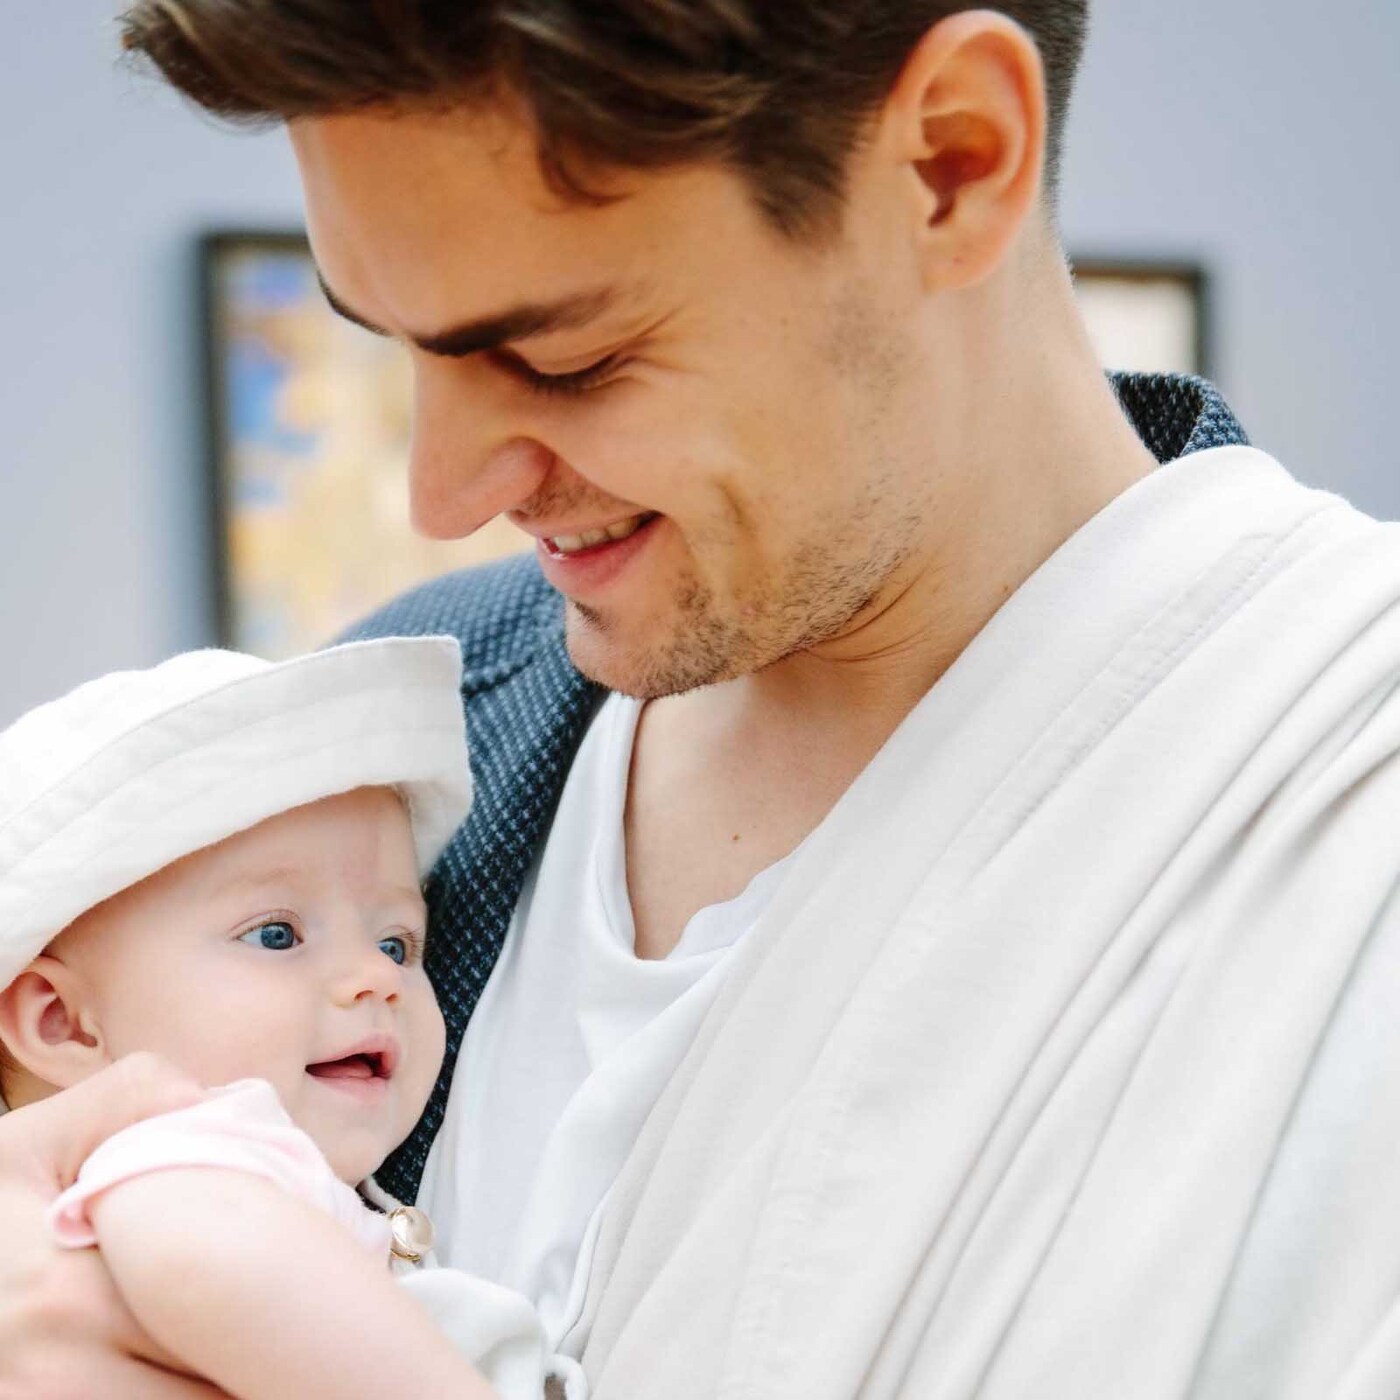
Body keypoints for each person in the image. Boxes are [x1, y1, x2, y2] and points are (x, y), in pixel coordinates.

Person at [5, 1, 1400, 1396]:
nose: (445, 494)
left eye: (565, 358)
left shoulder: (1342, 822)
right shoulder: (389, 751)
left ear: (951, 162)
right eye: (397, 345)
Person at [0, 637, 583, 1399]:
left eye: (397, 943)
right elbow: (197, 1255)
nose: (377, 978)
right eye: (277, 935)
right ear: (64, 1023)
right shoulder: (185, 1151)